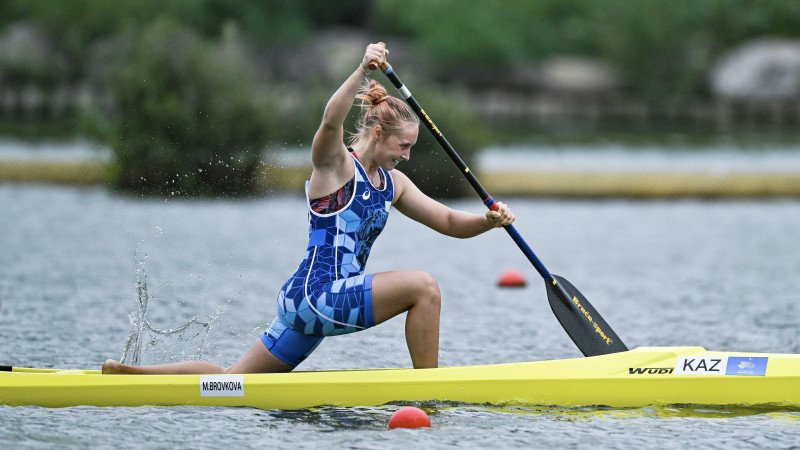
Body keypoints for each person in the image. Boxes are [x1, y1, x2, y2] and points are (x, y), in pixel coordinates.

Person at [102, 43, 514, 375]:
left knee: (233, 382)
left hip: (310, 302)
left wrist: (488, 221)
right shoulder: (336, 167)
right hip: (319, 297)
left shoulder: (394, 184)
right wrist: (362, 70)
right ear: (377, 133)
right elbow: (330, 123)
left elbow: (448, 221)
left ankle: (134, 377)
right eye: (403, 146)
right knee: (424, 287)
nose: (406, 156)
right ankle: (430, 391)